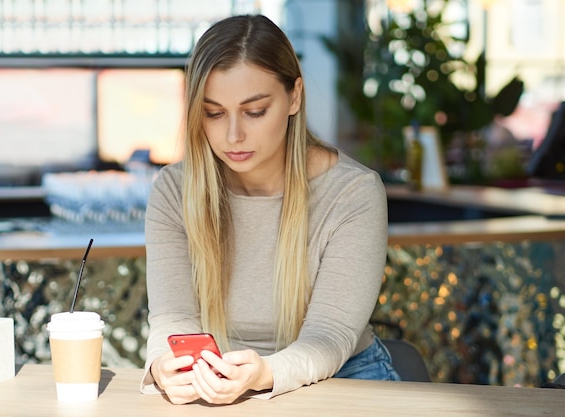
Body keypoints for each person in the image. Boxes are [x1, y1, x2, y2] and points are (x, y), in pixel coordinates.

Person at [140, 14, 399, 405]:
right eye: (213, 113)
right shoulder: (174, 191)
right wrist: (164, 365)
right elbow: (172, 319)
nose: (233, 136)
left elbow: (329, 336)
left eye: (255, 111)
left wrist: (265, 373)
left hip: (345, 378)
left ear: (294, 96)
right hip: (222, 381)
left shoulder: (353, 193)